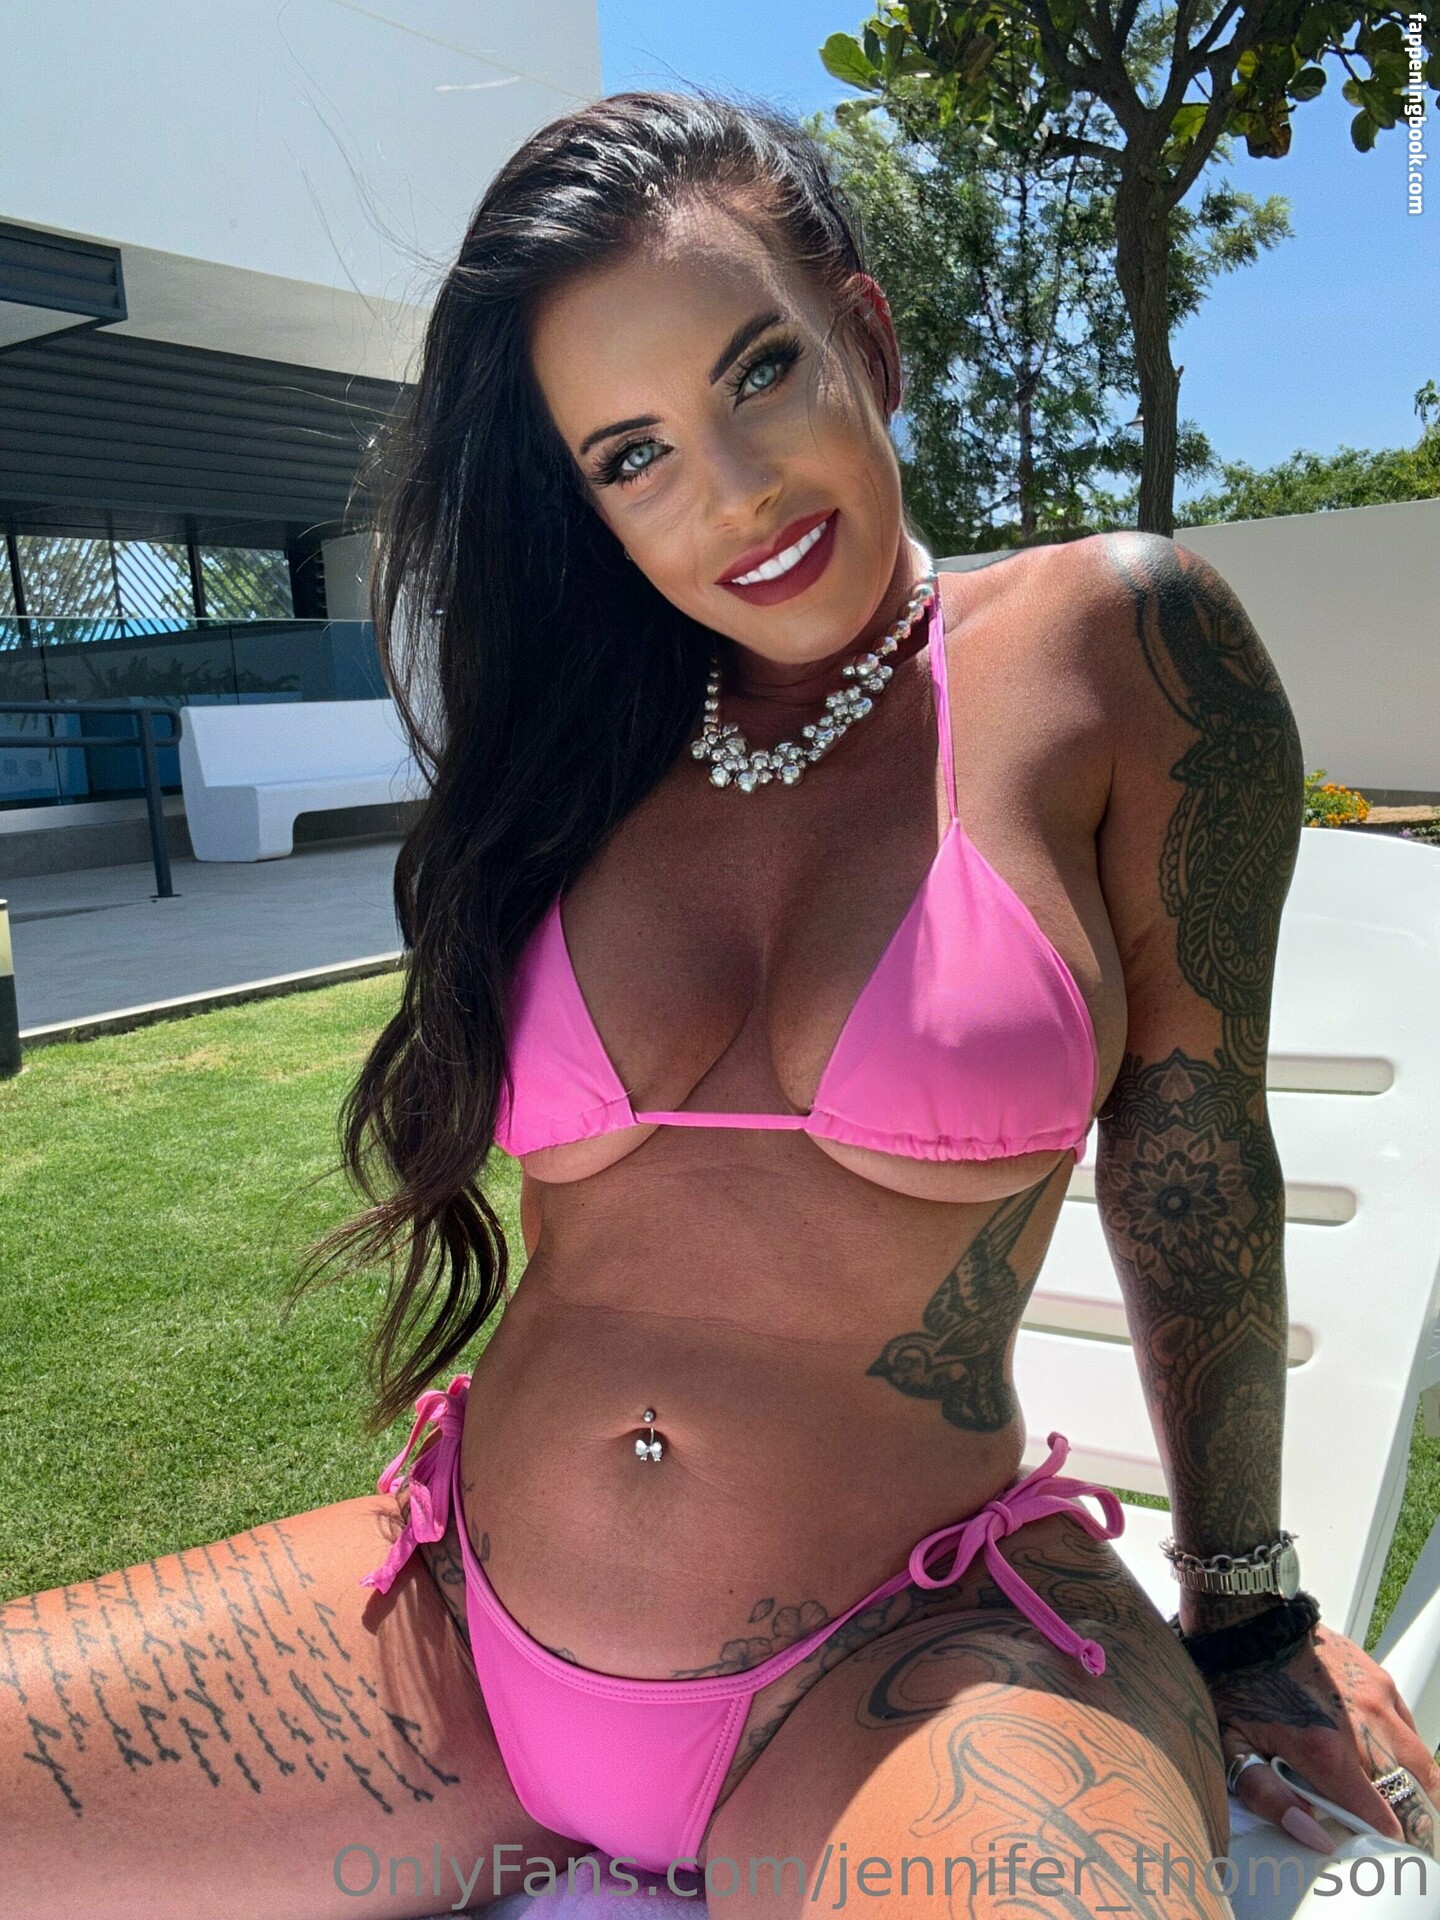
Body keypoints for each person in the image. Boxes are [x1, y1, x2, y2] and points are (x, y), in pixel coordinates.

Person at [5, 91, 1436, 1920]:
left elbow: (1197, 1143)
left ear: (867, 338)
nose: (734, 491)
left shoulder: (1109, 644)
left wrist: (1250, 1615)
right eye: (632, 457)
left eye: (759, 372)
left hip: (904, 1671)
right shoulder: (583, 739)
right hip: (451, 1637)